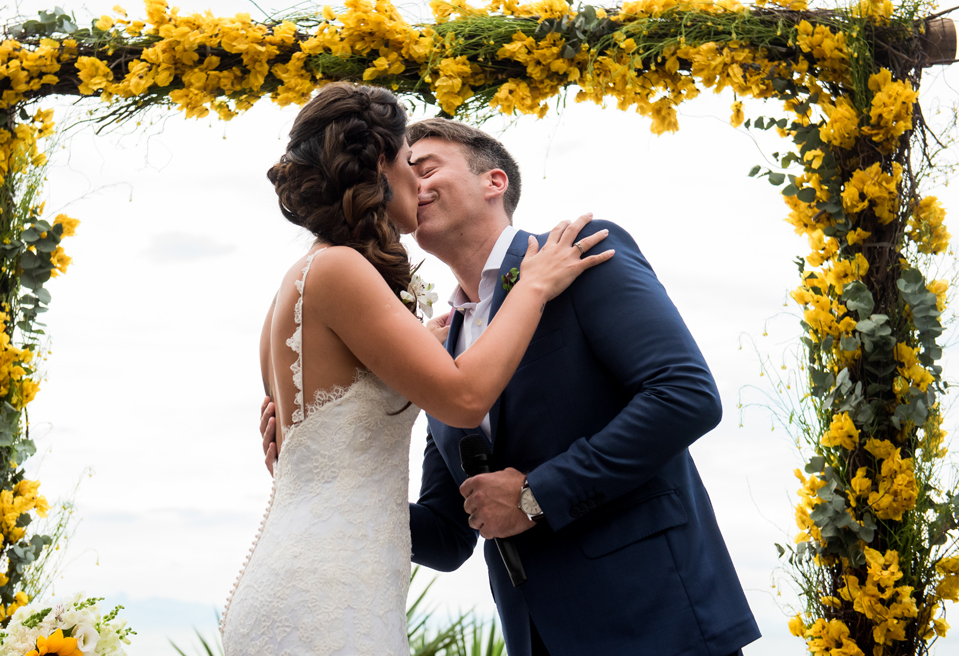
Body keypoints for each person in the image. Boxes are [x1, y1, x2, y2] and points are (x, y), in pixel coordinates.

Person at [260, 118, 762, 656]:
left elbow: (685, 394)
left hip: (655, 616)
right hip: (535, 637)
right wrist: (324, 481)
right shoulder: (433, 350)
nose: (410, 182)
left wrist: (535, 495)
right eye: (404, 170)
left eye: (424, 167)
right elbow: (448, 534)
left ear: (493, 181)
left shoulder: (578, 254)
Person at [219, 83, 613, 656]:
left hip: (335, 574)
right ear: (379, 165)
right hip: (324, 594)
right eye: (409, 160)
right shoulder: (339, 270)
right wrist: (533, 286)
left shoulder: (311, 277)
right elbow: (463, 398)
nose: (418, 182)